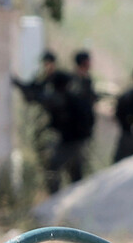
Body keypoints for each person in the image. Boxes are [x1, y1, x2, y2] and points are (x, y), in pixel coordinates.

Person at [12, 50, 88, 194]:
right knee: (74, 172)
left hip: (70, 139)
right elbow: (35, 91)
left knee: (54, 170)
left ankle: (57, 199)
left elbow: (36, 96)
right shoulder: (59, 88)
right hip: (72, 138)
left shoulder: (59, 95)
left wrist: (17, 83)